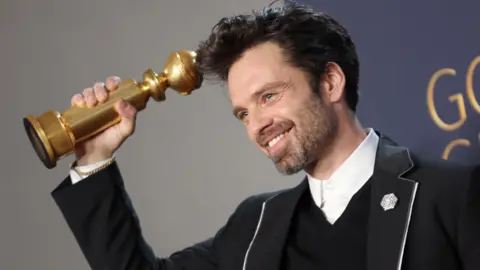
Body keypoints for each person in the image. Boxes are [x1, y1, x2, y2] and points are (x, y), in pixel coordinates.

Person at [51, 2, 480, 270]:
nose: (257, 124)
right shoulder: (254, 225)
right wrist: (94, 159)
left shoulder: (453, 197)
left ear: (330, 82)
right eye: (243, 112)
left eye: (269, 96)